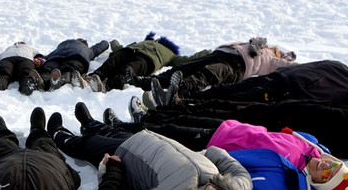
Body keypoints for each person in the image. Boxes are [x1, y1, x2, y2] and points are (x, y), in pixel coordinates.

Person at [47, 102, 257, 190]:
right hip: (148, 140)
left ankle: (60, 135)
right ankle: (91, 123)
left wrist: (109, 172)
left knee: (88, 144)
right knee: (114, 132)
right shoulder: (215, 181)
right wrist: (234, 187)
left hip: (125, 155)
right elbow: (229, 165)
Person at [105, 104, 347, 190]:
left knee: (167, 131)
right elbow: (310, 141)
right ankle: (144, 116)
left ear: (320, 186)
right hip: (230, 128)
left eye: (327, 176)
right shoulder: (310, 148)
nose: (326, 167)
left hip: (218, 143)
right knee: (180, 118)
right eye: (333, 166)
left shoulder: (285, 179)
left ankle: (118, 128)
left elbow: (244, 181)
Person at [136, 96, 348, 159]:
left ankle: (149, 119)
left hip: (279, 125)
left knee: (225, 114)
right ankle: (158, 113)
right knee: (227, 109)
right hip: (289, 111)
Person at [142, 37, 297, 108]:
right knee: (189, 67)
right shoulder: (262, 45)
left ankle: (176, 92)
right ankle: (152, 81)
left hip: (239, 66)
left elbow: (294, 67)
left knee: (207, 74)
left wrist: (289, 59)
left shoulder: (274, 62)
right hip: (225, 52)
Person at [173, 60, 348, 104]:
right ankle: (181, 97)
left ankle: (184, 102)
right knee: (225, 90)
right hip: (280, 77)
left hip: (286, 90)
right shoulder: (339, 66)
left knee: (234, 98)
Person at [87, 32, 211, 92]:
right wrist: (114, 43)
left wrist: (205, 53)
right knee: (112, 61)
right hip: (130, 50)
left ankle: (106, 87)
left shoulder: (170, 54)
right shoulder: (143, 42)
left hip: (147, 60)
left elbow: (186, 60)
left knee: (128, 69)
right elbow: (118, 48)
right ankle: (93, 77)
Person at [34, 38, 109, 91]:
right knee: (50, 68)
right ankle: (43, 82)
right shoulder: (86, 49)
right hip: (64, 57)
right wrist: (40, 59)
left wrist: (39, 58)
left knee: (67, 70)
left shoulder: (87, 49)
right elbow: (47, 56)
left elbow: (103, 45)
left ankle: (55, 82)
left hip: (70, 57)